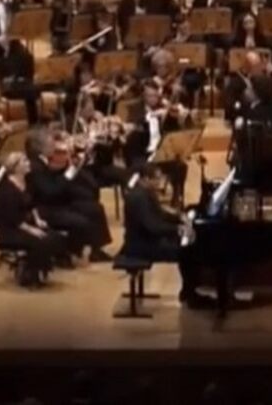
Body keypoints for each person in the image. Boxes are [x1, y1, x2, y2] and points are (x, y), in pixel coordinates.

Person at [119, 163, 207, 307]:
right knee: (187, 252)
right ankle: (191, 294)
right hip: (140, 246)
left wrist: (179, 217)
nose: (160, 182)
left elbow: (160, 214)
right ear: (146, 179)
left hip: (147, 239)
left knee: (187, 248)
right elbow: (153, 227)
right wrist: (177, 229)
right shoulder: (139, 197)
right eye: (157, 178)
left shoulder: (145, 192)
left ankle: (188, 291)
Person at [24, 127, 114, 263]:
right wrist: (68, 173)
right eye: (50, 143)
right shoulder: (35, 166)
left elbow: (53, 180)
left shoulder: (42, 161)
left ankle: (96, 250)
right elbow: (50, 191)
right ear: (40, 147)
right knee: (81, 222)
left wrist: (68, 169)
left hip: (58, 201)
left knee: (95, 208)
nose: (53, 146)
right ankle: (66, 252)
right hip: (46, 208)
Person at [0, 152, 69, 288]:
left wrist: (38, 220)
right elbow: (13, 218)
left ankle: (34, 269)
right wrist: (32, 230)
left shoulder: (26, 182)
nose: (28, 163)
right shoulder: (7, 190)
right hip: (9, 230)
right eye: (24, 161)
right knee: (41, 240)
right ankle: (31, 275)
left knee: (55, 237)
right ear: (15, 167)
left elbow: (32, 204)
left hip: (25, 224)